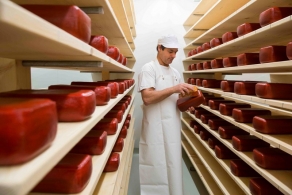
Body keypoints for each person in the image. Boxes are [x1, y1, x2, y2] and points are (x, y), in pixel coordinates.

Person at [138, 35, 196, 195]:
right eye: (170, 51)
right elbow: (147, 98)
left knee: (173, 164)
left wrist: (187, 104)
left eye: (176, 52)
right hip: (154, 128)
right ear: (159, 48)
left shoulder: (176, 73)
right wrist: (174, 89)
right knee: (155, 165)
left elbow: (177, 99)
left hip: (172, 127)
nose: (173, 56)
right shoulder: (148, 69)